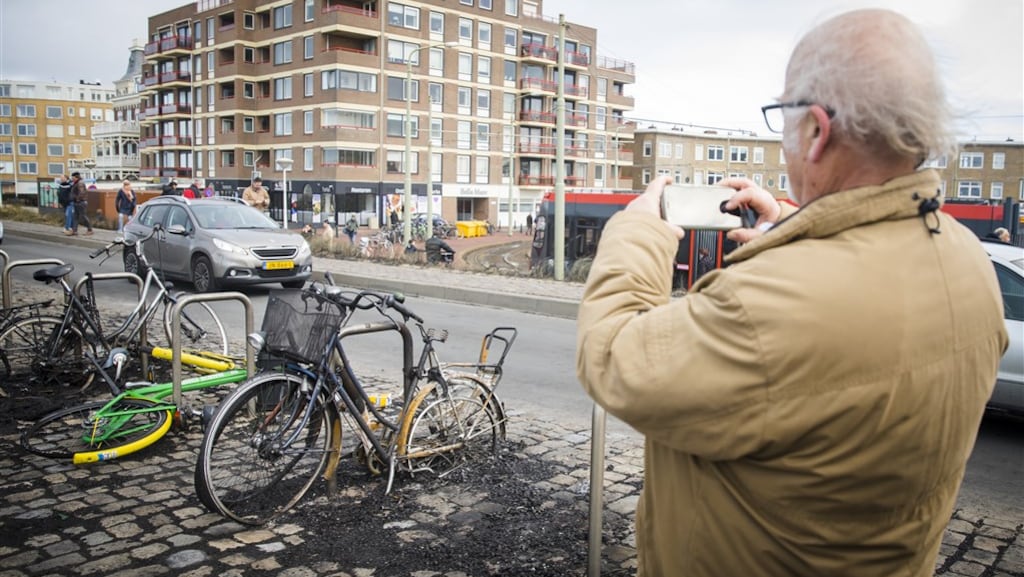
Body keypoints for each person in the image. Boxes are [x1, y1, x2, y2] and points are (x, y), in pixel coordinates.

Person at [575, 10, 1007, 577]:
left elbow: (612, 356)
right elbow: (857, 291)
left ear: (816, 131)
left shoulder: (766, 309)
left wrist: (639, 230)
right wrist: (790, 227)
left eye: (783, 117)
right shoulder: (967, 257)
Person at [66, 172, 94, 236]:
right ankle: (74, 230)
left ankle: (90, 230)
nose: (72, 179)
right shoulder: (76, 183)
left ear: (76, 177)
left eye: (73, 178)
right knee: (75, 216)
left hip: (80, 202)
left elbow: (81, 193)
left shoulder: (80, 183)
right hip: (77, 202)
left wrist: (77, 199)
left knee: (83, 216)